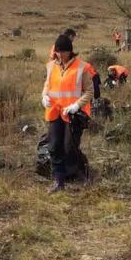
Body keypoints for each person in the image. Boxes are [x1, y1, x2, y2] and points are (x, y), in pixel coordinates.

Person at [41, 34, 94, 193]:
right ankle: (59, 180)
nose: (60, 55)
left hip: (73, 114)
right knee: (54, 146)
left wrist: (77, 105)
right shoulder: (51, 66)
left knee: (70, 147)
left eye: (63, 52)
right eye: (57, 52)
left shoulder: (82, 67)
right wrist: (44, 96)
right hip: (55, 112)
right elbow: (47, 84)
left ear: (70, 51)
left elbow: (89, 91)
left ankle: (83, 173)